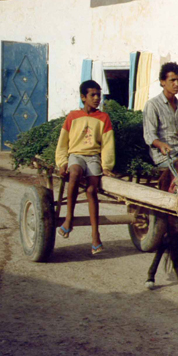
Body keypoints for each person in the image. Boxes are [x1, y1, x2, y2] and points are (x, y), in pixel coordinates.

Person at [55, 80, 116, 255]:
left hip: (93, 158)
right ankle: (68, 219)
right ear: (83, 97)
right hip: (76, 155)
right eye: (92, 95)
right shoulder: (73, 116)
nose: (97, 98)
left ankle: (95, 234)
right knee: (74, 173)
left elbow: (107, 144)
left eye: (99, 95)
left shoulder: (103, 118)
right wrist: (62, 162)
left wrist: (106, 166)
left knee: (91, 190)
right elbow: (63, 142)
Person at [143, 62, 178, 168]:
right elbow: (149, 135)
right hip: (165, 156)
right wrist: (160, 144)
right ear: (163, 82)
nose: (177, 84)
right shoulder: (152, 105)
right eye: (172, 80)